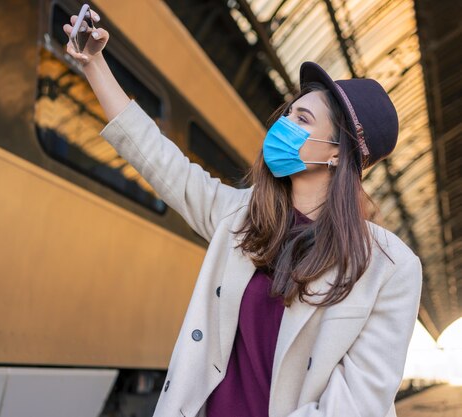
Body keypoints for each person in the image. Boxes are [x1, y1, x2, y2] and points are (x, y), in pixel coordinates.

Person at [63, 10, 422, 417]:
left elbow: (355, 404)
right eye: (288, 113)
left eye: (302, 119)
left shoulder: (389, 269)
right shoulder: (242, 216)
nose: (283, 125)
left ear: (338, 153)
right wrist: (94, 66)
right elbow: (159, 161)